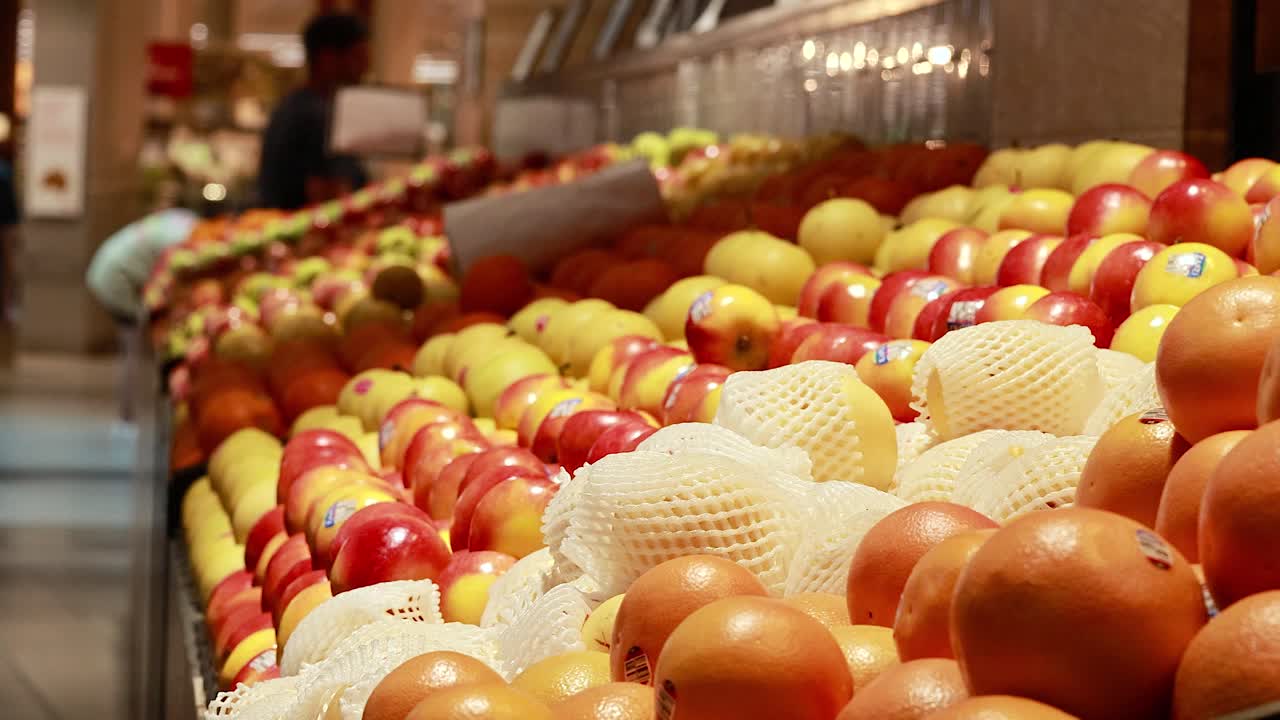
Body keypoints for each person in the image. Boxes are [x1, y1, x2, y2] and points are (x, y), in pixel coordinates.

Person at [86, 208, 199, 420]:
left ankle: (132, 409)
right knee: (134, 343)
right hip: (116, 280)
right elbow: (175, 278)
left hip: (106, 268)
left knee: (136, 343)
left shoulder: (181, 220)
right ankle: (130, 409)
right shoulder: (180, 240)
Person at [257, 12, 370, 210]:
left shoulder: (296, 104)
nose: (365, 67)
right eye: (358, 57)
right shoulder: (313, 115)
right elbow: (326, 196)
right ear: (327, 58)